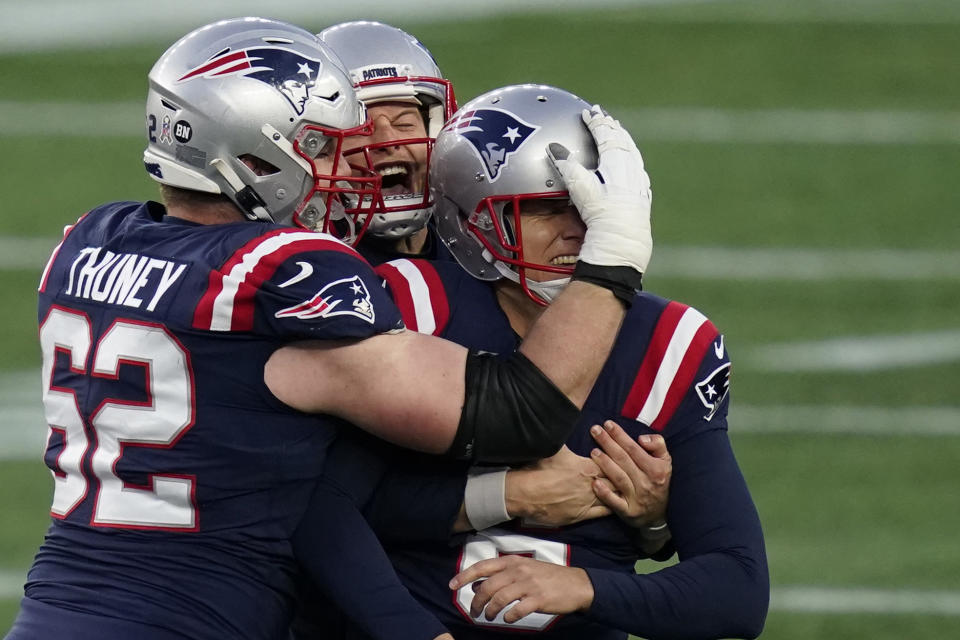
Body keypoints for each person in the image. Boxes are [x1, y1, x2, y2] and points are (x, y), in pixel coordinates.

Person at [6, 16, 656, 640]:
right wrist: (614, 255)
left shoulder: (90, 245)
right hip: (190, 620)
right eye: (323, 147)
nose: (349, 171)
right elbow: (520, 412)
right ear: (252, 156)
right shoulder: (283, 272)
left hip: (56, 610)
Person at [363, 84, 769, 639]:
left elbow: (738, 591)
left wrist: (588, 583)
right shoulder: (407, 306)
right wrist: (502, 495)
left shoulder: (671, 342)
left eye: (595, 207)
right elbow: (321, 508)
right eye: (549, 209)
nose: (581, 231)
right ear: (474, 223)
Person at [318, 20, 457, 263]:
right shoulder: (307, 270)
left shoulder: (480, 257)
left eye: (404, 123)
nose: (388, 140)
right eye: (361, 128)